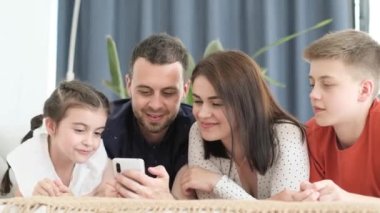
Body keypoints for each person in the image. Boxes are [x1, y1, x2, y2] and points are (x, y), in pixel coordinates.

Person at [178, 50, 315, 200]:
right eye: (198, 101)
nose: (202, 114)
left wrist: (218, 183)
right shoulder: (198, 132)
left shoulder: (285, 133)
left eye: (216, 104)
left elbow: (288, 211)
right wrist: (270, 204)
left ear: (246, 104)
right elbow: (213, 209)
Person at [102, 33, 194, 199]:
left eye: (168, 93)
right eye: (145, 92)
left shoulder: (199, 131)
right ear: (129, 85)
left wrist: (169, 205)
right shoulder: (101, 125)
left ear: (185, 90)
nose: (155, 105)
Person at [302, 29, 380, 201]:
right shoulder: (311, 135)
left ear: (364, 90)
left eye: (327, 84)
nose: (313, 94)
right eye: (312, 84)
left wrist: (348, 200)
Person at [0, 80, 112, 197]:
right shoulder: (27, 161)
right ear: (51, 126)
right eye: (79, 130)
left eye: (97, 133)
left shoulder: (97, 158)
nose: (90, 142)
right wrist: (35, 203)